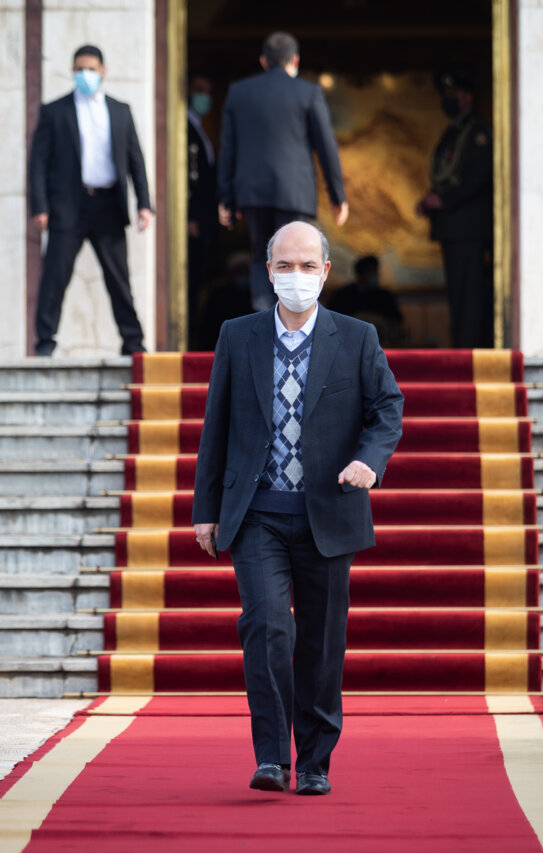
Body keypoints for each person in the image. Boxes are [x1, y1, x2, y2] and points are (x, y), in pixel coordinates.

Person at [192, 221, 403, 797]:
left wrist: (370, 460)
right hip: (256, 513)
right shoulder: (238, 335)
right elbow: (216, 426)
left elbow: (388, 408)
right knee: (265, 628)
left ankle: (314, 762)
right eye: (285, 266)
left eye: (308, 266)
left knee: (321, 641)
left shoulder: (356, 337)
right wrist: (206, 509)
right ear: (269, 272)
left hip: (327, 513)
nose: (296, 276)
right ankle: (270, 757)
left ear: (326, 272)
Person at [28, 44, 154, 356]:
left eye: (90, 69)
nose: (84, 74)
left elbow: (136, 160)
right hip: (68, 206)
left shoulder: (121, 111)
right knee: (55, 278)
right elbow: (38, 163)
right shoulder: (54, 111)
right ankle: (45, 342)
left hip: (108, 205)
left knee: (118, 278)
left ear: (103, 71)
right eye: (79, 69)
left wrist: (144, 203)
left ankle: (133, 342)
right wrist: (40, 207)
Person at [217, 31, 348, 311]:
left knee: (261, 257)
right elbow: (327, 147)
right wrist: (338, 196)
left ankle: (265, 320)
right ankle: (296, 323)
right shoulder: (308, 92)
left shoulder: (239, 92)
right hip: (294, 193)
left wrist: (226, 198)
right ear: (295, 60)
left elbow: (228, 148)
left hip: (252, 194)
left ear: (263, 61)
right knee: (297, 258)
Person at [416, 69, 493, 348]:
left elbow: (479, 176)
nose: (448, 100)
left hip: (468, 230)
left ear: (467, 97)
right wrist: (431, 200)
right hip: (453, 229)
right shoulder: (454, 131)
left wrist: (444, 201)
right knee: (459, 298)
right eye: (446, 95)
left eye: (454, 94)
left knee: (469, 299)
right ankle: (461, 348)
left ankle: (468, 352)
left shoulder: (477, 133)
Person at [187, 74, 219, 349]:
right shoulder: (184, 128)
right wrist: (188, 217)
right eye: (199, 90)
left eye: (207, 91)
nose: (204, 97)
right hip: (192, 224)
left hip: (205, 224)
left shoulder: (200, 127)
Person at [325, 255, 404, 346]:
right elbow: (331, 320)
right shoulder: (343, 295)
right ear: (361, 274)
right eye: (371, 272)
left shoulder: (385, 296)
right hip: (348, 343)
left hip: (380, 343)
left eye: (376, 272)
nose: (376, 276)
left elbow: (396, 320)